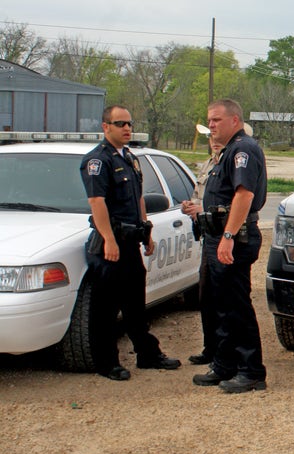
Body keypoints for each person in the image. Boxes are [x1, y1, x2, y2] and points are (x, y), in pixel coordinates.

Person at [80, 105, 181, 380]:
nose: (127, 128)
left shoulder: (130, 158)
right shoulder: (98, 161)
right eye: (120, 123)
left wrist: (146, 230)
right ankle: (107, 363)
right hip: (109, 246)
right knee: (106, 309)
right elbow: (96, 203)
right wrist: (109, 240)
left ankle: (147, 354)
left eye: (129, 123)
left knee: (136, 305)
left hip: (131, 243)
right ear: (105, 127)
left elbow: (138, 198)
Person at [191, 99, 268, 393]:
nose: (211, 125)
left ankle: (251, 371)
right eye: (209, 120)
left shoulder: (243, 149)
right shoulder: (226, 152)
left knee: (236, 307)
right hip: (216, 236)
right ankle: (225, 364)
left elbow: (244, 195)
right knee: (220, 306)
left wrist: (228, 237)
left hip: (233, 238)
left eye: (216, 120)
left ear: (235, 120)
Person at [182, 122, 252, 366]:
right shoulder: (213, 163)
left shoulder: (241, 154)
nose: (212, 135)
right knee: (210, 298)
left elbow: (242, 197)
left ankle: (243, 365)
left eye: (216, 126)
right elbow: (204, 195)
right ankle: (217, 354)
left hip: (227, 235)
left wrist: (228, 237)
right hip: (210, 234)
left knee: (232, 303)